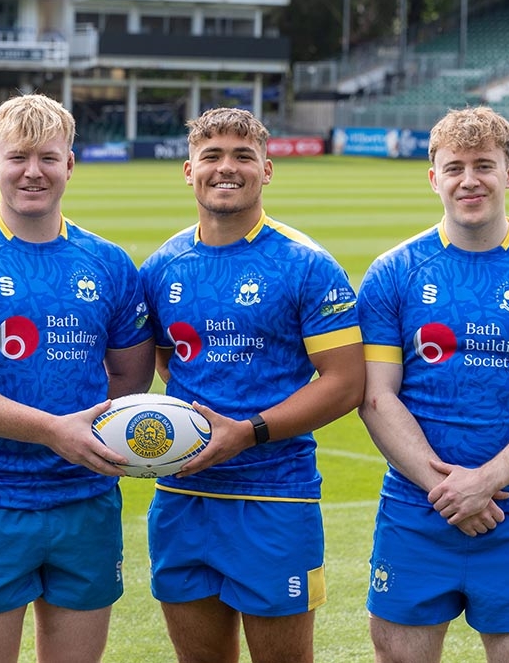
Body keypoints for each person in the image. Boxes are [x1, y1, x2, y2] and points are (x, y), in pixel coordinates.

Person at [0, 93, 155, 663]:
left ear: (71, 163)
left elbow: (130, 374)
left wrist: (81, 436)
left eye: (48, 157)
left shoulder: (110, 263)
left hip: (87, 499)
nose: (33, 172)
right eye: (18, 157)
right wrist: (52, 429)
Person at [356, 105, 509, 663]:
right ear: (434, 178)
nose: (470, 180)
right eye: (455, 167)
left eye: (484, 166)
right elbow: (375, 395)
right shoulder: (393, 272)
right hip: (415, 512)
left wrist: (485, 482)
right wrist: (451, 492)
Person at [138, 107, 365, 663]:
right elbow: (172, 362)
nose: (226, 168)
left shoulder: (306, 265)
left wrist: (248, 431)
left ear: (268, 170)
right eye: (211, 155)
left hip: (274, 497)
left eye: (243, 155)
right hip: (182, 496)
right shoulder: (162, 266)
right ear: (188, 170)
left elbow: (345, 382)